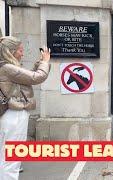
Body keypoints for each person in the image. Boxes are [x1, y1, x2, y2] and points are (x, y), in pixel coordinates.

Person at [0, 36, 51, 180]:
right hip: (14, 115)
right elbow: (37, 77)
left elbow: (26, 78)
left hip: (8, 114)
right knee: (12, 160)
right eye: (20, 50)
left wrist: (40, 63)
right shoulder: (7, 68)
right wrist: (45, 62)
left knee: (5, 157)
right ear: (11, 51)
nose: (22, 53)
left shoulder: (6, 67)